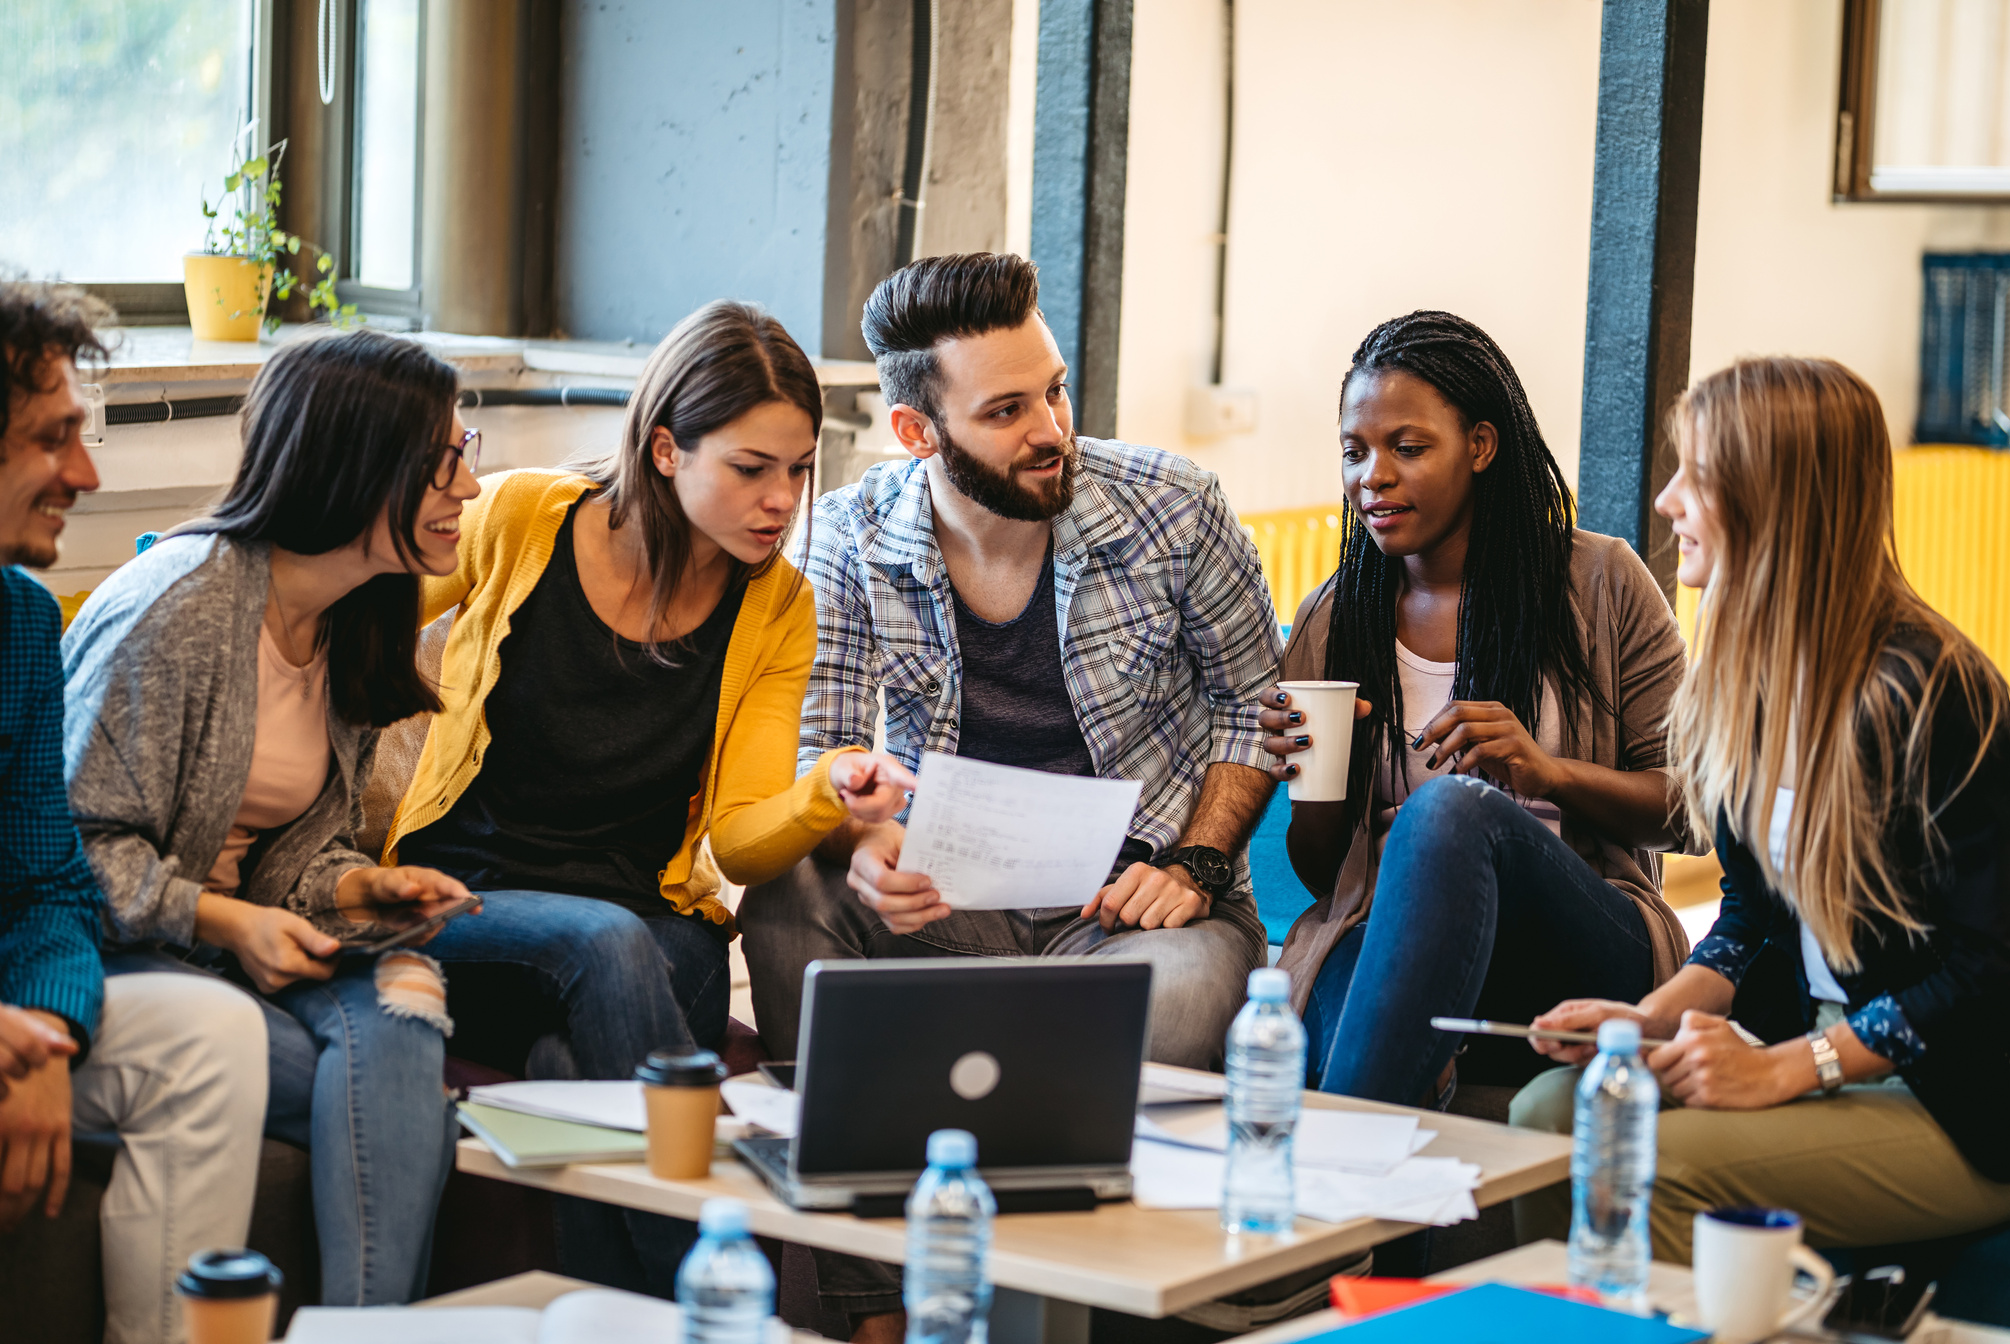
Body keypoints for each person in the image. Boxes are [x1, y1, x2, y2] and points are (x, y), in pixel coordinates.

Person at [737, 252, 1279, 1335]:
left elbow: (1256, 705)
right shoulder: (845, 535)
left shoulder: (1175, 509)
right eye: (1007, 409)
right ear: (917, 433)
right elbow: (828, 748)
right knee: (789, 889)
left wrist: (1200, 863)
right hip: (948, 908)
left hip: (1136, 911)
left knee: (1166, 1001)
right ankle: (877, 1312)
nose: (1052, 428)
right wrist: (862, 850)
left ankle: (1039, 1306)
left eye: (1056, 390)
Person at [379, 300, 909, 1294]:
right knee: (597, 950)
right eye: (752, 469)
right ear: (666, 449)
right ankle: (727, 1302)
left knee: (566, 1049)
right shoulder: (524, 520)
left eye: (798, 470)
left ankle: (631, 1315)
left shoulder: (778, 605)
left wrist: (825, 792)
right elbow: (359, 605)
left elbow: (746, 846)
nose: (782, 499)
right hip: (466, 911)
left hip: (653, 938)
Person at [1512, 356, 2010, 1262]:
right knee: (1547, 1112)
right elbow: (1749, 919)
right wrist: (1644, 1020)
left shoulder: (1933, 689)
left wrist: (1789, 1068)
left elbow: (1988, 966)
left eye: (1696, 477)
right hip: (1818, 1051)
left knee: (1638, 1160)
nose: (1667, 501)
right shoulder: (1745, 683)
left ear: (1775, 498)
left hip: (1953, 1097)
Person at [64, 328, 479, 1306]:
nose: (468, 488)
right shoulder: (179, 610)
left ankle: (369, 1333)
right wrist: (227, 921)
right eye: (448, 461)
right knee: (392, 1096)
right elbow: (73, 849)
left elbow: (291, 848)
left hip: (233, 950)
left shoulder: (351, 614)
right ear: (359, 463)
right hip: (132, 955)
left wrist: (357, 884)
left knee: (408, 1014)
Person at [1259, 311, 1694, 1108]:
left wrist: (1547, 772)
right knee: (1338, 1006)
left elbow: (1692, 812)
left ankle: (1332, 1197)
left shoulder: (1601, 584)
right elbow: (1327, 876)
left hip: (1581, 933)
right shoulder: (1335, 616)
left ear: (1482, 447)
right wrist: (1315, 779)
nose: (1372, 477)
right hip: (1390, 928)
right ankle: (1365, 1212)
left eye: (1408, 448)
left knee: (1451, 814)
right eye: (1354, 452)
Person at [0, 280, 266, 1344]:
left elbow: (48, 882)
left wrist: (50, 1033)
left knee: (209, 1034)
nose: (87, 474)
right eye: (50, 440)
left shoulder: (19, 620)